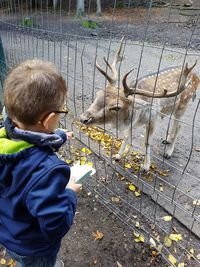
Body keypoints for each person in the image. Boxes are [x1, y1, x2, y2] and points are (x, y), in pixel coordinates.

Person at [0, 59, 82, 267]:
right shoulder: (48, 172)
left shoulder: (5, 138)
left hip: (9, 232)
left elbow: (32, 141)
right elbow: (55, 224)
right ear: (49, 120)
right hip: (34, 248)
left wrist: (60, 137)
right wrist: (70, 192)